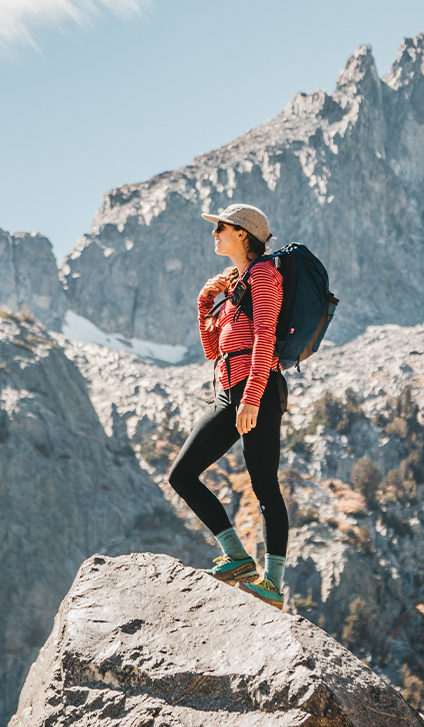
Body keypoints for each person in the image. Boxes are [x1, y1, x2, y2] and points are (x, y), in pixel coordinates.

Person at [167, 203, 289, 610]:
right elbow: (212, 351)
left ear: (242, 234)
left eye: (220, 227)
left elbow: (265, 339)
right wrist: (205, 302)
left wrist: (251, 399)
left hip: (256, 392)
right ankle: (237, 557)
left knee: (264, 487)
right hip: (229, 391)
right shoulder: (237, 283)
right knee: (182, 475)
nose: (213, 234)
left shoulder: (266, 277)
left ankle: (272, 583)